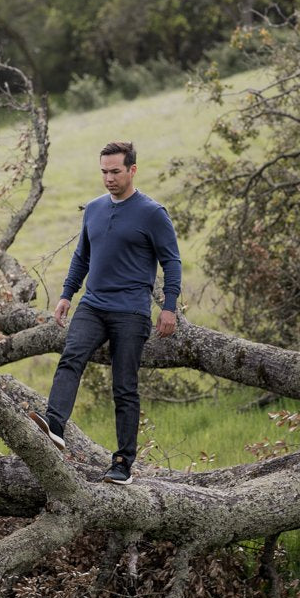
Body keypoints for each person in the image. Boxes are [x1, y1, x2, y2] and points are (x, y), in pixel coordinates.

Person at [30, 141, 181, 484]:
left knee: (124, 387)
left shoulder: (152, 213)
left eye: (115, 171)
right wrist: (67, 294)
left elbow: (172, 261)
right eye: (104, 171)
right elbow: (81, 256)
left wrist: (169, 307)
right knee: (71, 357)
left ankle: (123, 464)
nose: (109, 178)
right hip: (94, 305)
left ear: (132, 170)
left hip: (131, 311)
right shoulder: (95, 209)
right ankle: (54, 425)